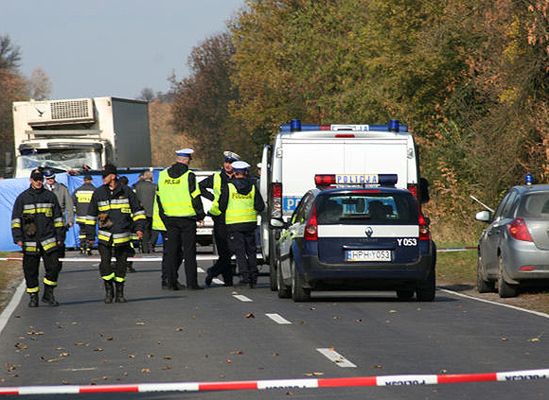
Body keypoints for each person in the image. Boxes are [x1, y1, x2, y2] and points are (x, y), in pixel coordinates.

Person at [85, 164, 145, 303]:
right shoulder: (99, 193)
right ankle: (108, 290)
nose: (103, 179)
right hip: (105, 237)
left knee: (121, 266)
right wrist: (90, 236)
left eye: (105, 176)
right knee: (104, 265)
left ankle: (119, 292)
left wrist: (139, 228)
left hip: (122, 236)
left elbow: (138, 212)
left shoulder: (127, 191)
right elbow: (91, 215)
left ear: (113, 176)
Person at [11, 169, 65, 307]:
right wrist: (18, 237)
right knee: (30, 271)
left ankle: (48, 294)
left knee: (54, 268)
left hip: (49, 240)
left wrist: (60, 236)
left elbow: (58, 218)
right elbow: (16, 220)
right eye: (36, 179)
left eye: (40, 179)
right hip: (30, 242)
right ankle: (33, 297)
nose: (39, 182)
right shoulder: (22, 198)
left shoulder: (50, 196)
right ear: (31, 180)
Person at [156, 148, 205, 290]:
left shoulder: (163, 175)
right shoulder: (189, 175)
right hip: (187, 219)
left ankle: (171, 282)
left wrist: (163, 215)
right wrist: (200, 215)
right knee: (189, 252)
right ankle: (192, 283)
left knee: (172, 251)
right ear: (186, 160)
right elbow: (195, 196)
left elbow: (159, 197)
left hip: (169, 218)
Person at [214, 161, 264, 288]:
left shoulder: (228, 187)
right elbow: (260, 206)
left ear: (235, 173)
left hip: (234, 224)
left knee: (240, 251)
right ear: (246, 172)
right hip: (250, 223)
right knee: (251, 250)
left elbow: (222, 206)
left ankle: (245, 277)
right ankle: (253, 276)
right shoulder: (253, 187)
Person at [199, 150, 240, 287]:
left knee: (233, 249)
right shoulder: (217, 177)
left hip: (236, 217)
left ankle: (213, 271)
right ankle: (228, 280)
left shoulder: (240, 176)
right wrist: (212, 198)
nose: (228, 165)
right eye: (226, 162)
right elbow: (200, 187)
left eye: (231, 163)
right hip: (220, 217)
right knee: (224, 250)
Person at [43, 169, 74, 265]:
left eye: (52, 178)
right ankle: (50, 263)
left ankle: (58, 262)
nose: (50, 180)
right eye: (48, 179)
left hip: (60, 221)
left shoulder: (62, 189)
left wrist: (70, 220)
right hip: (46, 222)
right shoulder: (42, 189)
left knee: (59, 243)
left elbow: (69, 205)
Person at [134, 170, 158, 253]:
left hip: (141, 212)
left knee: (144, 230)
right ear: (151, 177)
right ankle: (151, 244)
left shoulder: (138, 187)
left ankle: (145, 247)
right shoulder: (155, 186)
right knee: (154, 230)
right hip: (153, 212)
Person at [72, 174, 96, 255]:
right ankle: (89, 249)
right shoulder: (94, 190)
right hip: (90, 217)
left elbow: (73, 203)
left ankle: (82, 248)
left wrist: (76, 212)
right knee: (90, 233)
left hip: (80, 217)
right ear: (91, 180)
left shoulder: (78, 190)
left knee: (82, 232)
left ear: (84, 180)